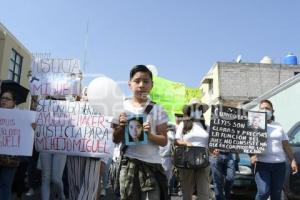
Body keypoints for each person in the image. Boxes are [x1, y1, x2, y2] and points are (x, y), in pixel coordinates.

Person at [112, 65, 169, 200]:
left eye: (146, 81)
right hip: (128, 165)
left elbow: (164, 140)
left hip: (152, 167)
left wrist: (150, 135)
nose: (141, 85)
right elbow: (115, 139)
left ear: (151, 85)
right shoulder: (121, 107)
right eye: (137, 81)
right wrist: (121, 127)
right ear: (129, 84)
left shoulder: (158, 109)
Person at [250, 99, 298, 200]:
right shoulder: (254, 126)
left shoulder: (278, 126)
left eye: (267, 108)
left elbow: (286, 145)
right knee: (263, 192)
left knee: (276, 194)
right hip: (262, 164)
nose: (264, 110)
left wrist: (292, 161)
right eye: (262, 108)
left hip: (279, 166)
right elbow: (247, 143)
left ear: (272, 111)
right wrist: (252, 155)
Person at [174, 99, 210, 200]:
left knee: (204, 191)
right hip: (186, 161)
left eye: (199, 108)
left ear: (202, 111)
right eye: (194, 107)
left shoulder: (207, 127)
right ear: (189, 110)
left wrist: (214, 150)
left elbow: (210, 145)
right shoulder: (183, 124)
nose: (196, 110)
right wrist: (186, 143)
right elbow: (176, 141)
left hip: (204, 161)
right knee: (187, 191)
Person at [0, 90, 21, 200]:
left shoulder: (21, 116)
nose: (3, 100)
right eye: (2, 98)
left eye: (7, 99)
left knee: (5, 185)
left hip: (10, 159)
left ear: (14, 102)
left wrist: (32, 127)